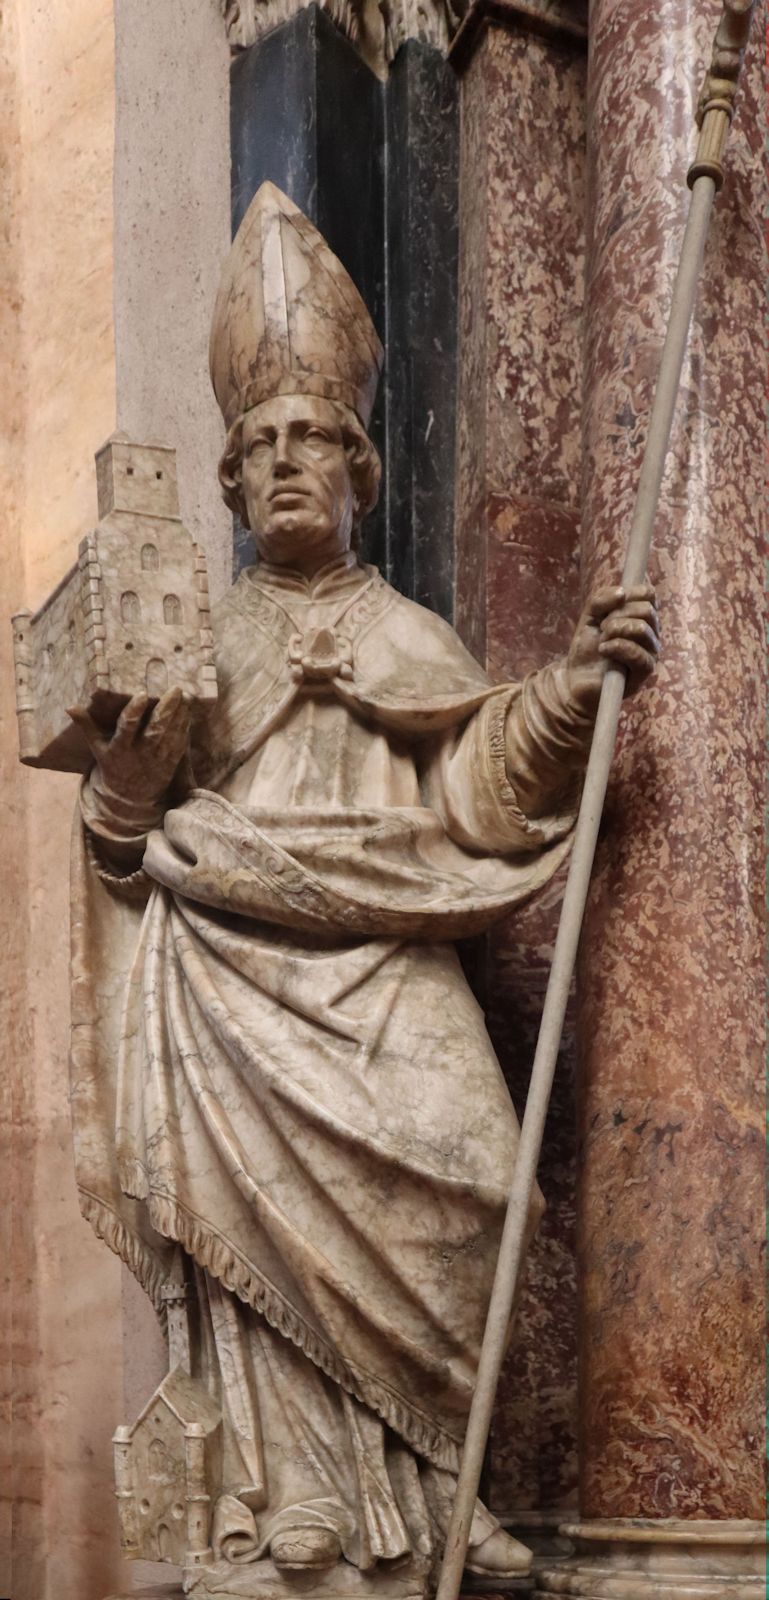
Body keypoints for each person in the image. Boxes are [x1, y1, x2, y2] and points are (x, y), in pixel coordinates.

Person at [69, 184, 659, 1587]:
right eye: (258, 444)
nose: (282, 462)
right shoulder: (189, 643)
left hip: (389, 965)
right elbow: (116, 856)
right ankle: (293, 1500)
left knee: (475, 1174)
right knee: (252, 1238)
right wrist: (125, 795)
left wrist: (572, 689)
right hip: (229, 980)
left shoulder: (409, 634)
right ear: (225, 482)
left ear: (359, 472)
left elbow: (473, 786)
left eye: (309, 442)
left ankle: (436, 1478)